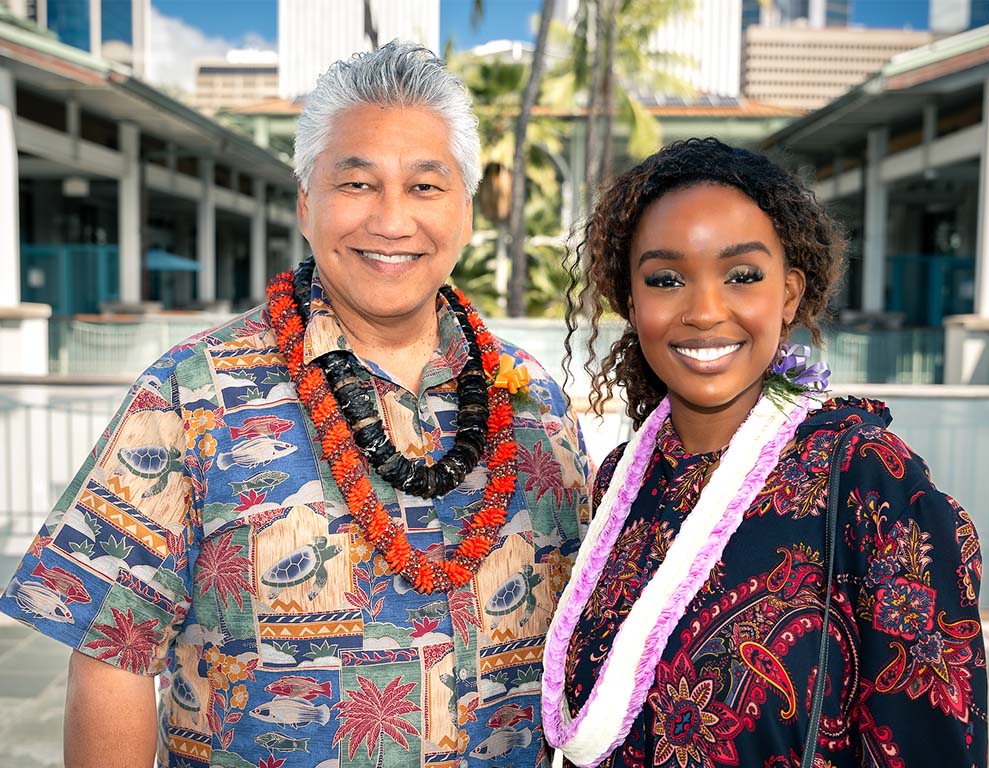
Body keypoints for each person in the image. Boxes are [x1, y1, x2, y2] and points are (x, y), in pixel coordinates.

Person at [1, 42, 589, 767]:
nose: (392, 221)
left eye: (426, 187)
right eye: (358, 183)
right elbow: (113, 657)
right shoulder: (191, 396)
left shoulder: (537, 406)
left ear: (465, 212)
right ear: (307, 203)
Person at [542, 138, 987, 767]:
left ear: (788, 293)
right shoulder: (622, 485)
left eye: (742, 276)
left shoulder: (866, 479)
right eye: (666, 279)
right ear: (631, 302)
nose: (703, 310)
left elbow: (931, 740)